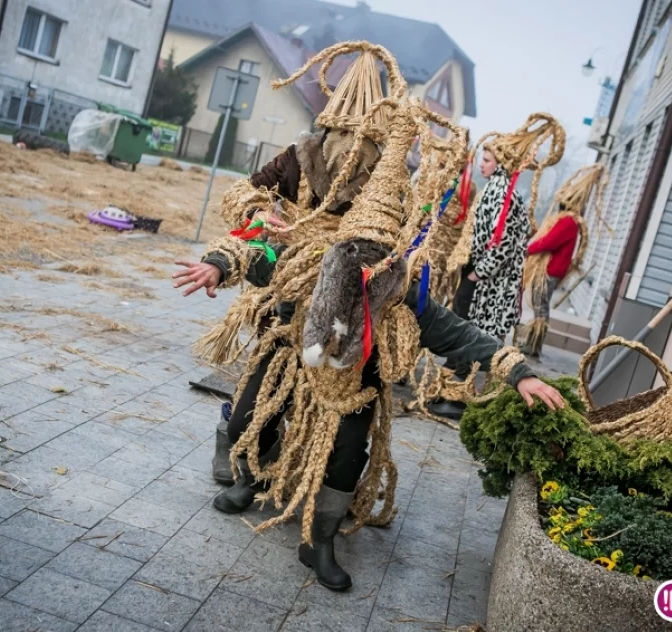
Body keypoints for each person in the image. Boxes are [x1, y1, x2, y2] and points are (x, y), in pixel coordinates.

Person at [176, 42, 566, 593]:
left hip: (354, 370)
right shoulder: (305, 255)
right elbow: (255, 252)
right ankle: (252, 477)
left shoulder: (390, 285)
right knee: (250, 417)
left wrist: (516, 370)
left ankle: (320, 539)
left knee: (348, 450)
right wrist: (218, 264)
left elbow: (451, 330)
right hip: (291, 344)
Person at [427, 115, 566, 421]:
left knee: (467, 332)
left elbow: (501, 243)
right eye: (482, 158)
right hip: (479, 276)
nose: (482, 164)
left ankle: (456, 398)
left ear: (500, 164)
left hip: (486, 284)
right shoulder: (496, 189)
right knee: (462, 328)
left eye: (487, 160)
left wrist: (477, 273)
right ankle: (448, 392)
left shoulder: (502, 194)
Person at [516, 164, 608, 357]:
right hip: (552, 270)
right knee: (540, 305)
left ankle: (534, 345)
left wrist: (527, 250)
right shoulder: (570, 221)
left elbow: (549, 242)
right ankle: (533, 343)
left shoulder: (567, 222)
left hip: (550, 271)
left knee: (540, 306)